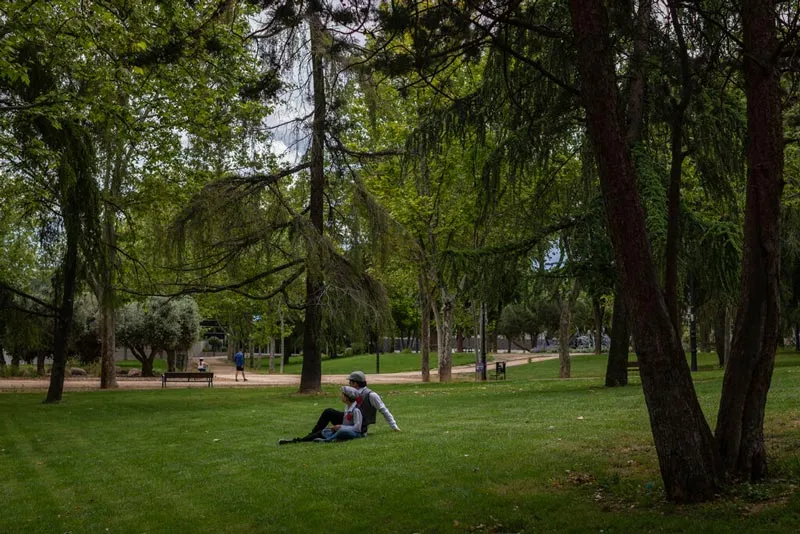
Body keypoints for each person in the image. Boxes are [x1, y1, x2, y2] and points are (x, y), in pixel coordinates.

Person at [278, 370, 400, 445]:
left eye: (350, 382)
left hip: (359, 424)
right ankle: (312, 435)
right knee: (329, 412)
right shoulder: (350, 395)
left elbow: (384, 410)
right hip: (350, 419)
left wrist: (394, 427)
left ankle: (313, 437)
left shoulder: (371, 395)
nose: (348, 384)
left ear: (355, 383)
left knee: (334, 425)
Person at [279, 386, 363, 444]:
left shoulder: (356, 410)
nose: (341, 396)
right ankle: (299, 440)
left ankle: (328, 440)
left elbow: (357, 428)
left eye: (342, 394)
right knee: (323, 431)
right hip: (342, 429)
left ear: (347, 397)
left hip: (350, 432)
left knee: (341, 431)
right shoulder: (347, 408)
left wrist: (341, 427)